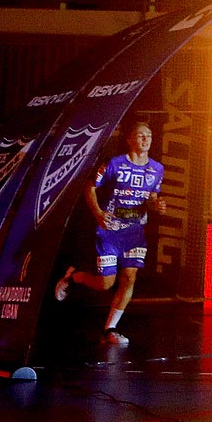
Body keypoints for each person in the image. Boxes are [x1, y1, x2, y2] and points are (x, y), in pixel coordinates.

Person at [54, 122, 167, 344]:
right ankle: (73, 276)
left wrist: (157, 206)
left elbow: (152, 199)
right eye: (141, 135)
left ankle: (110, 329)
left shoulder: (157, 168)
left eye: (149, 135)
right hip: (110, 231)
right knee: (106, 283)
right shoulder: (115, 164)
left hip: (135, 232)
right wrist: (97, 213)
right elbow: (89, 187)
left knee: (129, 277)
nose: (146, 139)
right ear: (130, 139)